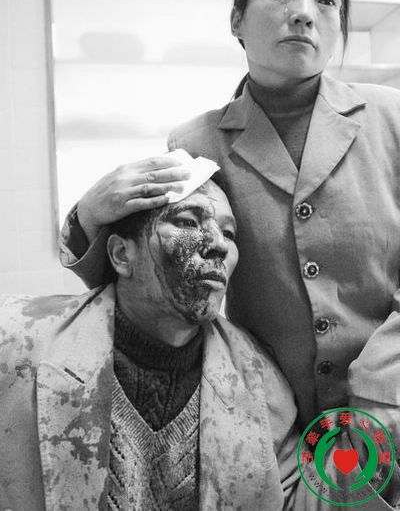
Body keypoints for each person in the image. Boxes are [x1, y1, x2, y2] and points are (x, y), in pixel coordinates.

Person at [60, 0, 400, 430]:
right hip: (267, 422)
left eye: (327, 1)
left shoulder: (390, 118)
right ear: (237, 19)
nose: (305, 13)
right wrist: (90, 214)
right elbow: (155, 286)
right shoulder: (197, 143)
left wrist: (381, 392)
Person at [0, 177, 316, 510]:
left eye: (228, 233)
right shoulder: (16, 342)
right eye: (188, 222)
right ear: (122, 254)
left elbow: (297, 497)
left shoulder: (261, 382)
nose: (218, 245)